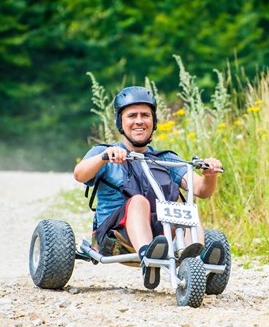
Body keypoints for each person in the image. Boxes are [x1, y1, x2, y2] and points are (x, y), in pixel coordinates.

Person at [73, 85, 224, 289]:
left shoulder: (166, 159)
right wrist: (104, 158)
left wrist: (210, 175)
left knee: (186, 210)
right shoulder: (106, 152)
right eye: (132, 115)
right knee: (138, 201)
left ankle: (193, 263)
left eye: (145, 115)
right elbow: (79, 174)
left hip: (159, 233)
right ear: (120, 122)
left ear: (153, 121)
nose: (139, 121)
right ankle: (148, 256)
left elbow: (201, 190)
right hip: (115, 234)